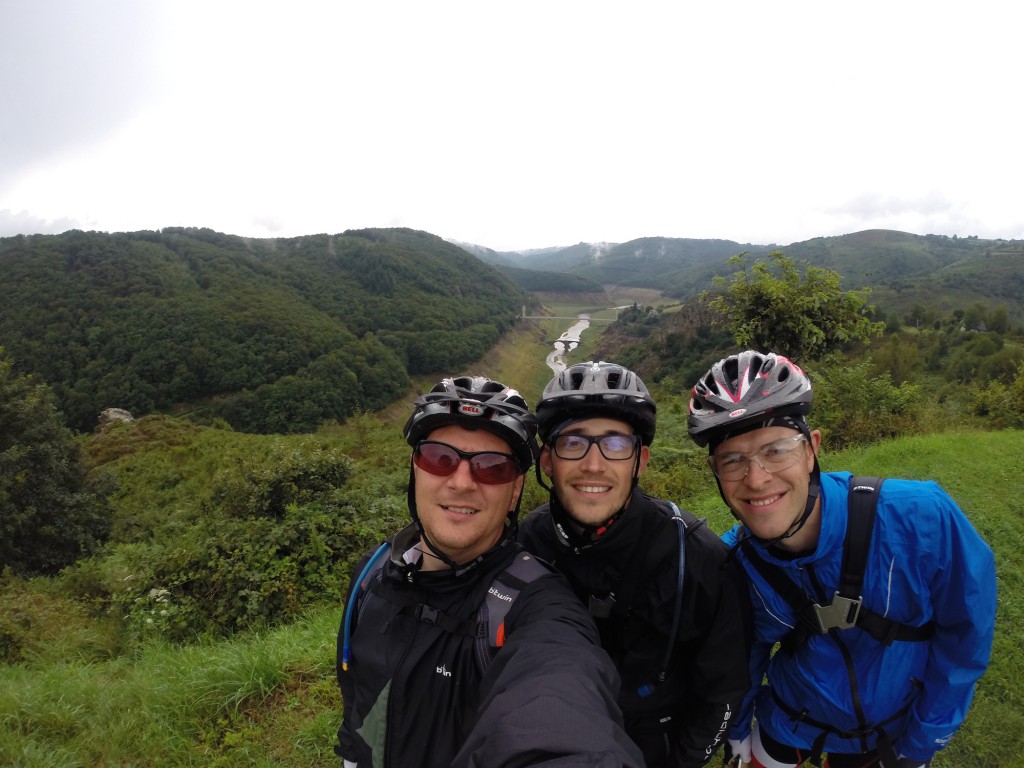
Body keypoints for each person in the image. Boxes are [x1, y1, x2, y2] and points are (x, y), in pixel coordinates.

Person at [686, 350, 997, 768]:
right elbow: (740, 659)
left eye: (776, 450)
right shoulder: (735, 563)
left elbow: (965, 639)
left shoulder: (919, 518)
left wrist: (921, 743)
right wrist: (738, 729)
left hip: (888, 735)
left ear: (812, 449)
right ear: (715, 473)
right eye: (733, 460)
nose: (756, 479)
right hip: (787, 721)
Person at [335, 375, 643, 768]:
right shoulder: (371, 576)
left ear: (515, 491)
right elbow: (356, 698)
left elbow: (559, 698)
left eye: (492, 467)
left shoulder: (535, 605)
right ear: (416, 469)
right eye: (438, 458)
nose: (461, 483)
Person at [518, 360, 753, 768]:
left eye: (615, 443)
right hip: (553, 736)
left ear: (640, 461)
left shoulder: (695, 556)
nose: (594, 464)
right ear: (547, 461)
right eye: (573, 442)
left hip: (654, 743)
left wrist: (683, 761)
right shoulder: (528, 543)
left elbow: (722, 689)